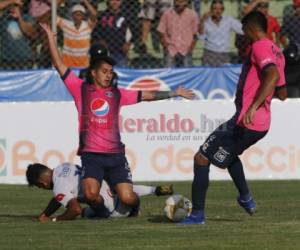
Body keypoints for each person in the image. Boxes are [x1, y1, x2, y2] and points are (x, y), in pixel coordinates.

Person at [40, 22, 194, 223]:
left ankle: (134, 206)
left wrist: (174, 93)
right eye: (104, 71)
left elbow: (146, 95)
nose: (109, 74)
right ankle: (101, 213)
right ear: (94, 73)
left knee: (127, 197)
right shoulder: (80, 89)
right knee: (91, 194)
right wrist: (51, 38)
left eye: (110, 71)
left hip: (115, 156)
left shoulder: (118, 94)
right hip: (91, 156)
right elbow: (59, 65)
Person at [180, 11, 287, 225]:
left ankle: (197, 215)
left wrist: (253, 106)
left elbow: (272, 75)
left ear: (250, 29)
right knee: (228, 155)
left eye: (244, 32)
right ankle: (245, 197)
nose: (243, 36)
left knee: (201, 158)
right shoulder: (278, 52)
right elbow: (282, 94)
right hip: (261, 123)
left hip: (247, 119)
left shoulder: (260, 46)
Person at [26, 162, 173, 221]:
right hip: (116, 192)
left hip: (115, 212)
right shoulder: (64, 166)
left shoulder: (59, 186)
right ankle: (154, 190)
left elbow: (75, 210)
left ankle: (130, 210)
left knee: (85, 212)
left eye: (40, 187)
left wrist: (55, 219)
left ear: (42, 182)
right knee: (120, 190)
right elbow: (59, 199)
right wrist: (45, 214)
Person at [199, 0, 243, 66]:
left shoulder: (228, 20)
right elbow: (201, 37)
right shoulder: (206, 21)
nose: (218, 11)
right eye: (215, 8)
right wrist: (202, 21)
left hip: (224, 53)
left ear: (223, 10)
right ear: (211, 10)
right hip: (209, 53)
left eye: (220, 9)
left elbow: (241, 29)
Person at [157, 0, 199, 67]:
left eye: (183, 1)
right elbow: (161, 32)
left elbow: (195, 34)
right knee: (168, 72)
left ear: (187, 2)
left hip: (186, 50)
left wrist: (190, 49)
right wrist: (166, 47)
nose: (180, 4)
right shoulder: (167, 14)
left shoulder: (193, 15)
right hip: (171, 50)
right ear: (174, 1)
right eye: (178, 1)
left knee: (187, 73)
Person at [91, 0, 131, 67]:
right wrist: (100, 41)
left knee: (121, 73)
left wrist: (129, 43)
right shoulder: (103, 15)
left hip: (121, 52)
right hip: (105, 52)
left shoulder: (127, 15)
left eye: (117, 0)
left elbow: (135, 31)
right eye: (112, 0)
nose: (115, 2)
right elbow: (95, 32)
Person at [57, 1, 96, 68]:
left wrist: (85, 1)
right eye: (76, 14)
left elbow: (94, 14)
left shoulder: (88, 26)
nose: (78, 16)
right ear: (72, 15)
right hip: (68, 64)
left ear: (83, 16)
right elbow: (52, 14)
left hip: (84, 65)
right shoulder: (66, 25)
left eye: (80, 14)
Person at [0, 0, 37, 69]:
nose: (14, 8)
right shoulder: (4, 17)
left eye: (16, 6)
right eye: (13, 5)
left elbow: (31, 34)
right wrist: (12, 1)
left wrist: (19, 18)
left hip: (24, 60)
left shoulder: (27, 17)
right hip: (6, 60)